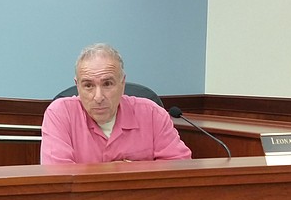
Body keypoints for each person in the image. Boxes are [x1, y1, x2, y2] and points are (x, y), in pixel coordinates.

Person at [41, 43, 191, 164]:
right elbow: (58, 178)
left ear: (122, 83)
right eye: (88, 85)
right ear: (77, 85)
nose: (98, 97)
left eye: (107, 84)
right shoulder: (60, 113)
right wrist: (118, 170)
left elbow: (180, 170)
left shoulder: (152, 114)